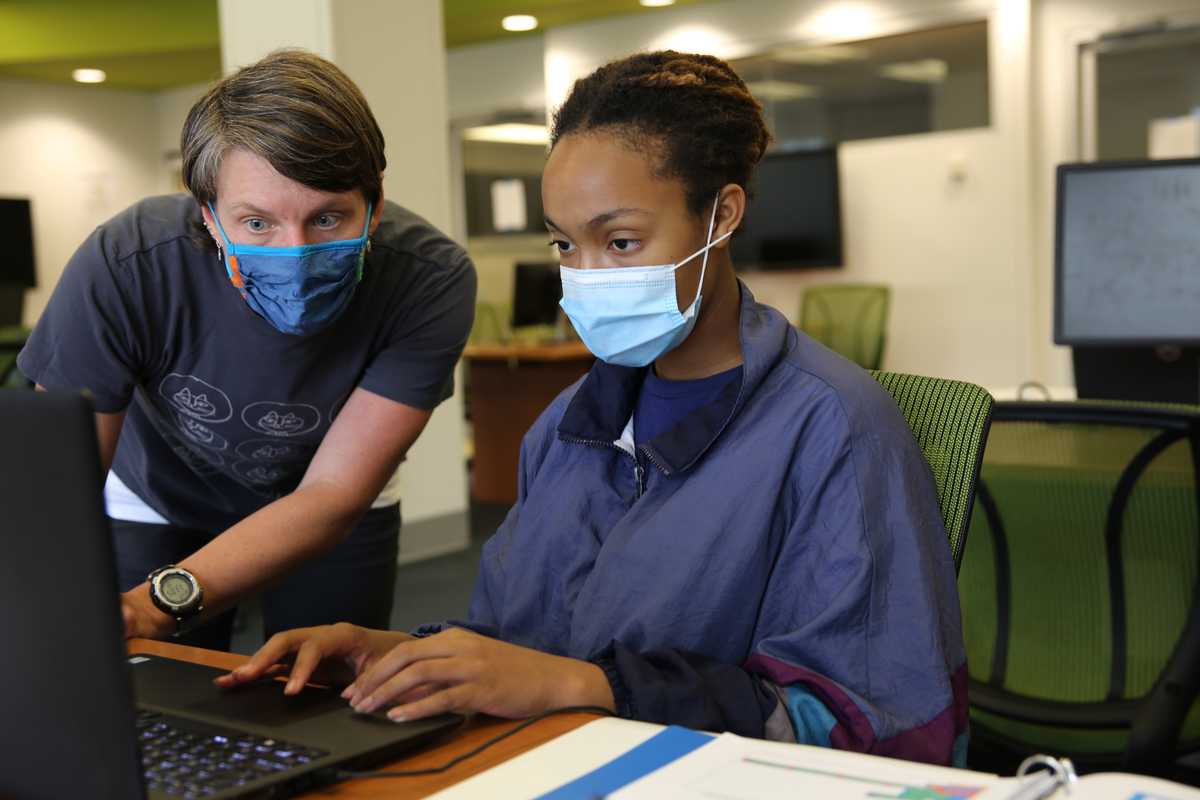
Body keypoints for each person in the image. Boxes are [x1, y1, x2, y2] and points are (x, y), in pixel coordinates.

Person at [220, 51, 967, 766]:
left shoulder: (833, 429)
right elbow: (515, 641)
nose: (587, 274)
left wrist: (590, 687)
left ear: (722, 215)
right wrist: (397, 652)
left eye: (620, 240)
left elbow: (868, 727)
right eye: (564, 246)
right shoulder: (568, 426)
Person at [18, 49, 476, 648]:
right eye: (257, 223)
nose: (297, 251)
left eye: (329, 219)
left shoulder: (429, 279)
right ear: (208, 217)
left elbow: (333, 493)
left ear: (375, 206)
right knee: (149, 690)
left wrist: (162, 602)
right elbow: (62, 483)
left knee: (321, 693)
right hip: (155, 493)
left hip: (329, 495)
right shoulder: (128, 264)